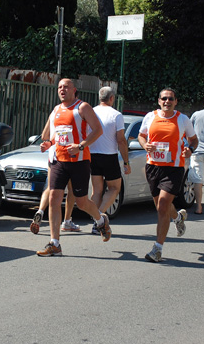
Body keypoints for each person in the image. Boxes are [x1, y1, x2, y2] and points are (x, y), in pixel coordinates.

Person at [36, 78, 112, 257]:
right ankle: (55, 243)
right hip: (58, 161)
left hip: (79, 161)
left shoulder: (83, 107)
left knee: (82, 202)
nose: (62, 89)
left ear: (74, 90)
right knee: (54, 198)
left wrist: (81, 145)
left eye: (66, 87)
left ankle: (101, 221)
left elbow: (98, 130)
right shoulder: (56, 110)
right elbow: (57, 136)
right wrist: (48, 144)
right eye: (60, 87)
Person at [138, 87, 198, 262]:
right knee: (160, 207)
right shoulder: (150, 117)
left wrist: (190, 150)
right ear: (159, 101)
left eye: (170, 98)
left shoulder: (183, 119)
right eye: (164, 98)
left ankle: (157, 249)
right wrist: (145, 145)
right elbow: (141, 136)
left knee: (163, 204)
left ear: (175, 101)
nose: (167, 101)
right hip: (153, 166)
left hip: (174, 168)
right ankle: (178, 217)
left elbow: (194, 139)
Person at [89, 86, 131, 234]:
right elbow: (121, 140)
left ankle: (96, 221)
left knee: (96, 191)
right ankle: (99, 218)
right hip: (109, 156)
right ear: (112, 98)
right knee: (114, 188)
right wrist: (126, 162)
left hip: (92, 155)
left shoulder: (91, 112)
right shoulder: (116, 115)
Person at [31, 121, 80, 234]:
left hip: (52, 154)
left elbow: (44, 136)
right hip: (66, 154)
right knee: (71, 189)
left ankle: (40, 211)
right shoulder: (73, 111)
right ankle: (67, 221)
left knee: (50, 187)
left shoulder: (54, 112)